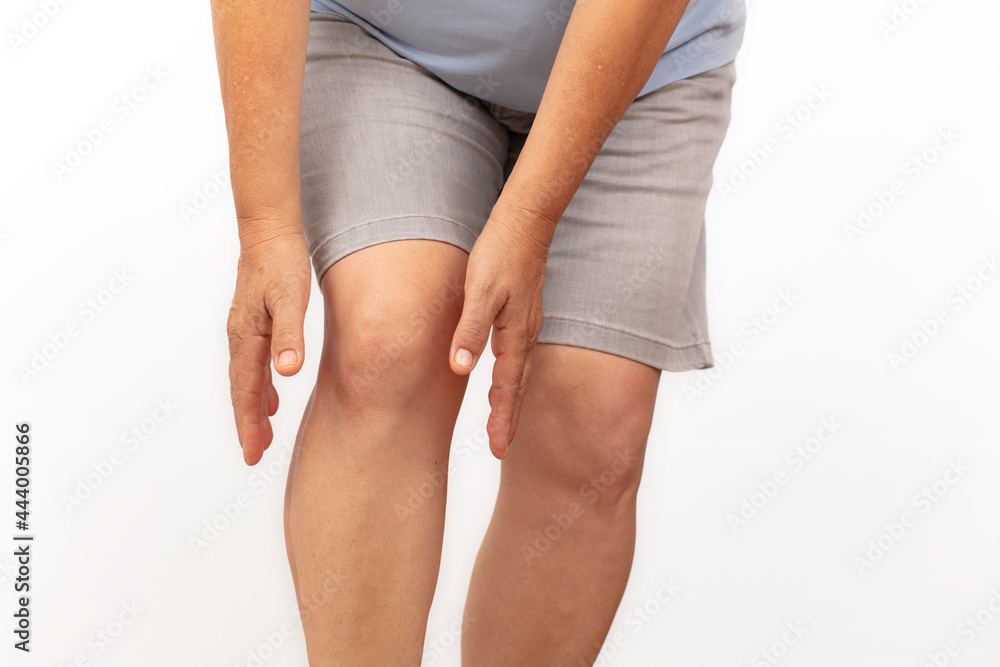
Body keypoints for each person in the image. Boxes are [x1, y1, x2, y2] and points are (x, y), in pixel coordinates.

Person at [209, 0, 745, 664]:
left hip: (646, 67)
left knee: (592, 426)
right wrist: (265, 224)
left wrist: (530, 217)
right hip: (391, 33)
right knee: (388, 341)